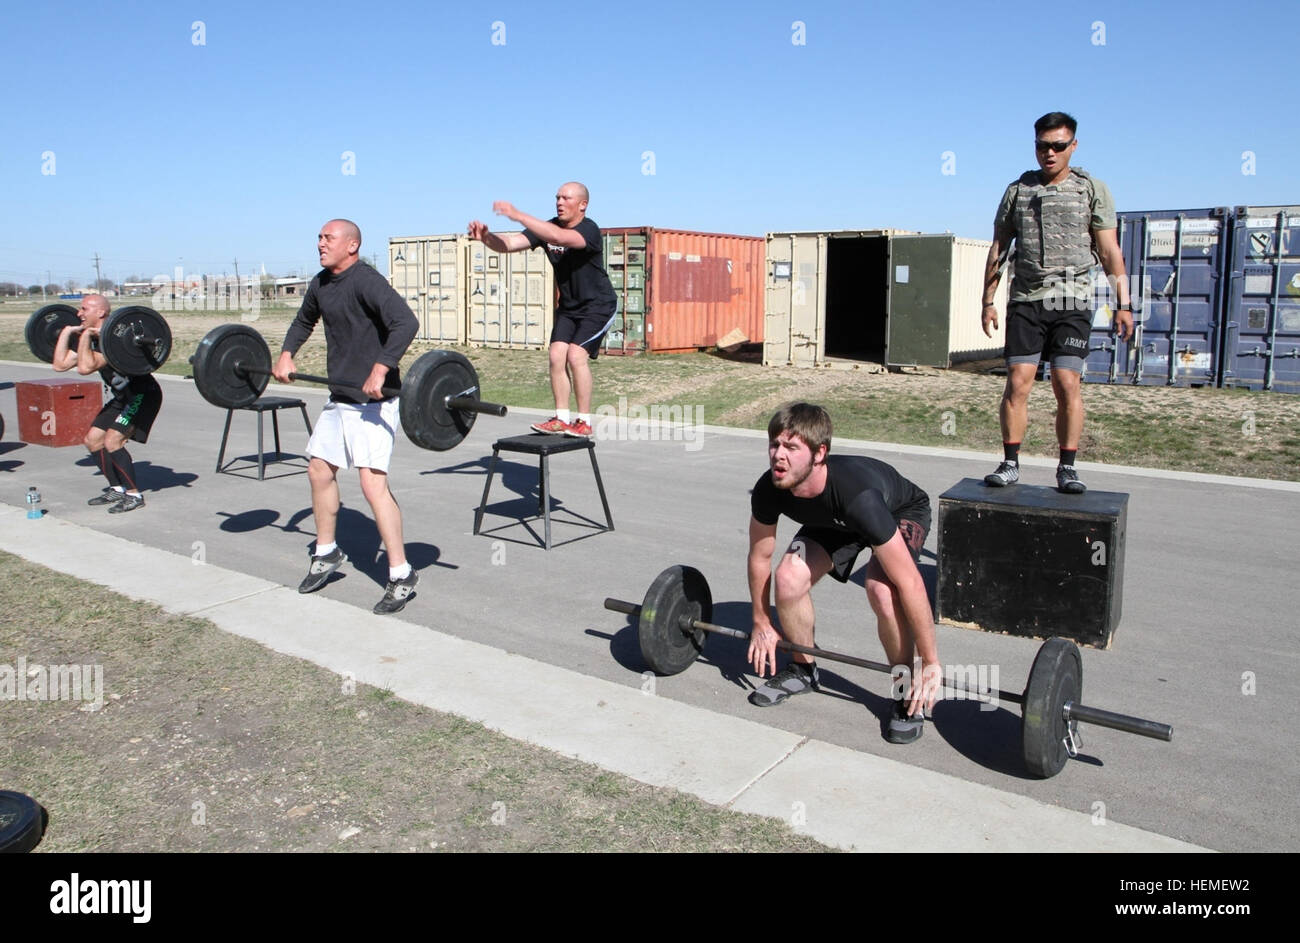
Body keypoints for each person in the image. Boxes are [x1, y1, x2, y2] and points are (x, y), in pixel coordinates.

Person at [747, 403, 940, 743]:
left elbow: (910, 582)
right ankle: (803, 669)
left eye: (792, 448)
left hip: (896, 512)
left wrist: (930, 660)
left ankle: (906, 688)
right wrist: (762, 622)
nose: (779, 456)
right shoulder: (770, 487)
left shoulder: (858, 496)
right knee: (788, 577)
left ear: (820, 453)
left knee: (883, 588)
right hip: (837, 521)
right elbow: (760, 556)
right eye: (775, 444)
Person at [981, 112, 1134, 494]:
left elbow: (1109, 249)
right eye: (1041, 146)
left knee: (1067, 382)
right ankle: (1010, 462)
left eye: (1057, 146)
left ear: (1073, 146)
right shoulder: (1018, 191)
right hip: (1027, 300)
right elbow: (999, 248)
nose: (1049, 153)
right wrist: (987, 300)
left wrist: (1124, 303)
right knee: (1018, 381)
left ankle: (1067, 467)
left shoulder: (1091, 189)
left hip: (1072, 300)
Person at [274, 219, 421, 614]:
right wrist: (288, 353)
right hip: (340, 398)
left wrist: (381, 367)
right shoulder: (321, 284)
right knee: (319, 470)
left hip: (375, 403)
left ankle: (401, 573)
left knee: (373, 486)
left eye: (328, 238)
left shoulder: (366, 280)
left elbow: (406, 322)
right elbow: (304, 320)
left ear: (352, 245)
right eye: (319, 237)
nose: (320, 243)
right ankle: (326, 552)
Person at [468, 182, 617, 437]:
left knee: (575, 355)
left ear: (582, 204)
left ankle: (584, 421)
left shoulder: (589, 230)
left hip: (598, 306)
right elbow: (510, 244)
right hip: (569, 307)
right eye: (557, 197)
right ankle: (561, 418)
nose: (559, 202)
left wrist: (517, 214)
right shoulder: (548, 227)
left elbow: (559, 238)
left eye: (566, 198)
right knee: (556, 355)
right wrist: (487, 238)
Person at [52, 293, 161, 513]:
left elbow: (84, 368)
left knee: (113, 441)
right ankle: (116, 488)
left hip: (143, 394)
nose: (78, 313)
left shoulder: (114, 341)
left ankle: (134, 495)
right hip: (123, 397)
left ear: (100, 312)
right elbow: (59, 365)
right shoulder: (91, 337)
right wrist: (66, 333)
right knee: (92, 440)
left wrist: (85, 337)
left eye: (84, 309)